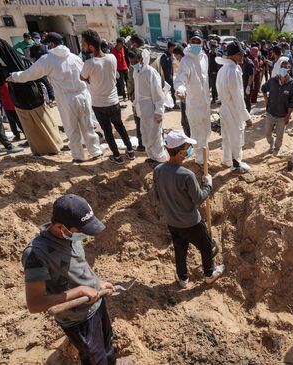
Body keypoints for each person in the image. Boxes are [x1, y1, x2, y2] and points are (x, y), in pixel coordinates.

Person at [22, 194, 117, 365]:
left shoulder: (70, 236)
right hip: (78, 319)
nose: (84, 235)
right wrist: (79, 291)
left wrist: (97, 283)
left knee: (108, 348)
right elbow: (35, 304)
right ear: (60, 227)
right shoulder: (36, 254)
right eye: (81, 231)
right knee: (96, 359)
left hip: (97, 304)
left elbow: (79, 265)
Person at [7, 32, 103, 162]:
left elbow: (30, 74)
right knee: (88, 125)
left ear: (51, 44)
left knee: (71, 127)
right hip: (83, 95)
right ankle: (96, 151)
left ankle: (78, 156)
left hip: (66, 98)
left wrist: (14, 76)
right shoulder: (74, 57)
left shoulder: (47, 59)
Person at [0, 39, 63, 157]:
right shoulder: (2, 68)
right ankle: (40, 152)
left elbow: (41, 77)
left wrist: (50, 93)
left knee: (46, 127)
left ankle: (54, 148)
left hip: (35, 100)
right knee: (32, 132)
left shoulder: (24, 62)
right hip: (20, 103)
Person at [153, 130, 225, 288]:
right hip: (191, 223)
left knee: (180, 250)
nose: (189, 150)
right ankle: (209, 274)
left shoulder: (158, 170)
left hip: (172, 223)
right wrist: (208, 185)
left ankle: (183, 278)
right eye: (187, 148)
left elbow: (158, 196)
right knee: (206, 247)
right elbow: (199, 198)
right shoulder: (186, 175)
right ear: (180, 153)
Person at [80, 29, 135, 165]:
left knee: (108, 132)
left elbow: (82, 77)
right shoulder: (112, 57)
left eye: (83, 43)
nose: (83, 46)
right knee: (120, 126)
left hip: (99, 104)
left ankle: (116, 156)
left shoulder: (89, 63)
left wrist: (91, 80)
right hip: (114, 101)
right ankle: (130, 150)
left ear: (91, 46)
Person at [174, 32, 211, 165]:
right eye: (193, 41)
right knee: (196, 131)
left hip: (205, 102)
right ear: (190, 42)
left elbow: (205, 80)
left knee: (206, 130)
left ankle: (205, 153)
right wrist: (180, 89)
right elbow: (180, 79)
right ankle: (200, 160)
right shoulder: (186, 60)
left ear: (202, 42)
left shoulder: (204, 57)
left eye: (198, 41)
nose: (195, 44)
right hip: (194, 103)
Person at [216, 41, 253, 174]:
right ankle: (236, 164)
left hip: (225, 108)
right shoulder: (232, 71)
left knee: (227, 136)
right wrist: (246, 117)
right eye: (240, 54)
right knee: (236, 136)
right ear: (233, 55)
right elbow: (237, 97)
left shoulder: (223, 69)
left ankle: (227, 160)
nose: (242, 56)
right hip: (232, 109)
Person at [129, 48, 168, 165]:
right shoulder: (136, 72)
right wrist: (136, 105)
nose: (133, 65)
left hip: (152, 110)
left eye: (135, 62)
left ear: (141, 59)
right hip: (143, 111)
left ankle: (160, 159)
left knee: (155, 136)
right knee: (146, 134)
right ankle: (152, 156)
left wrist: (159, 111)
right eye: (131, 62)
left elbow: (158, 94)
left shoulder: (150, 72)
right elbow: (138, 92)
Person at [261, 60, 293, 156]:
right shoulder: (273, 80)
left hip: (282, 116)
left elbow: (292, 102)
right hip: (270, 113)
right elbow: (263, 88)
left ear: (289, 69)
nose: (283, 69)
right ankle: (271, 144)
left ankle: (276, 149)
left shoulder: (291, 84)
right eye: (282, 67)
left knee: (280, 136)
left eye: (286, 67)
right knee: (267, 133)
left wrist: (288, 116)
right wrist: (266, 99)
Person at [127, 35, 147, 152]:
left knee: (139, 119)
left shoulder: (135, 58)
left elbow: (131, 80)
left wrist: (130, 94)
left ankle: (142, 144)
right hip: (148, 97)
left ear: (134, 44)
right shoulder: (150, 55)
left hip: (138, 96)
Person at [172, 46, 190, 137]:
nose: (176, 58)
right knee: (184, 120)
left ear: (179, 54)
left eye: (176, 56)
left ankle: (189, 139)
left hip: (186, 98)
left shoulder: (185, 62)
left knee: (185, 120)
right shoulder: (185, 62)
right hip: (184, 97)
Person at [160, 41, 176, 107]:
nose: (174, 50)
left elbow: (171, 66)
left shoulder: (171, 55)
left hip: (170, 76)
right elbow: (161, 68)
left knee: (173, 90)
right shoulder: (164, 56)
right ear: (169, 48)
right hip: (165, 78)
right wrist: (162, 78)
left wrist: (172, 75)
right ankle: (165, 105)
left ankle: (174, 104)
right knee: (165, 92)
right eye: (173, 48)